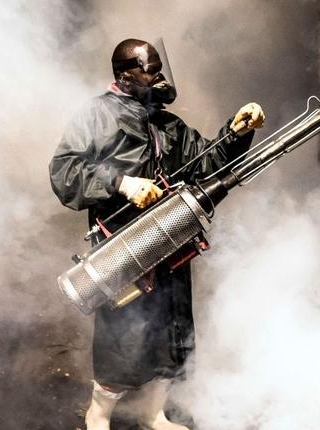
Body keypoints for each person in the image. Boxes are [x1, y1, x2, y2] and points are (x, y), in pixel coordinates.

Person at [49, 38, 265, 430]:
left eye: (159, 67)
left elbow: (207, 162)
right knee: (123, 339)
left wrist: (235, 133)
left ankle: (153, 413)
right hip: (124, 246)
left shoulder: (168, 123)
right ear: (125, 75)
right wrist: (122, 183)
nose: (159, 76)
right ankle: (98, 416)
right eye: (150, 69)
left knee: (172, 332)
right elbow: (64, 173)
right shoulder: (95, 115)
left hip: (170, 241)